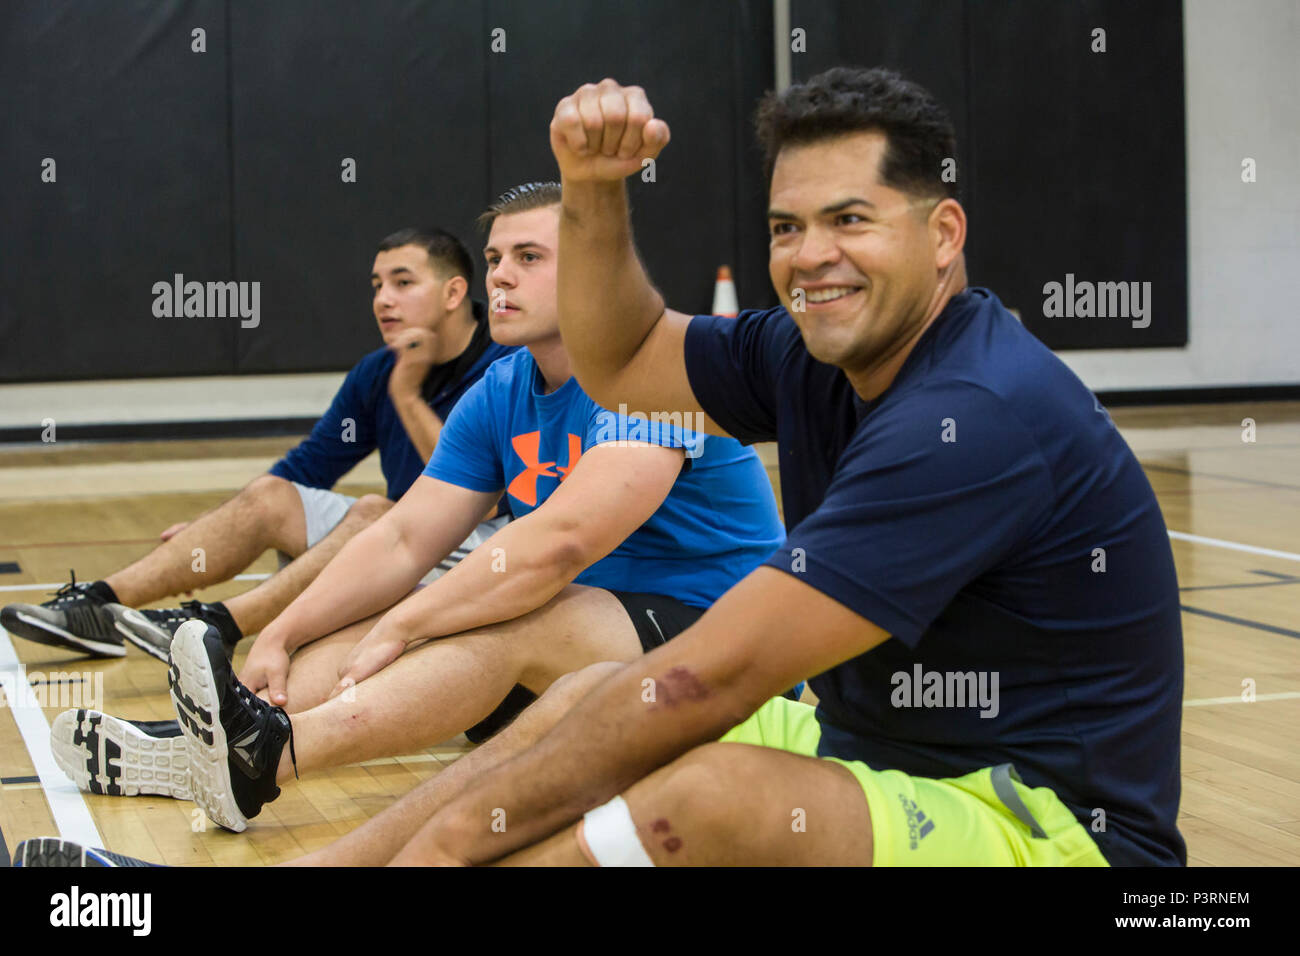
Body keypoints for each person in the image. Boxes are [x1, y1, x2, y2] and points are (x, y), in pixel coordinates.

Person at [310, 68, 1185, 867]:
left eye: (849, 220)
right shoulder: (810, 355)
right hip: (875, 753)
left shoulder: (971, 415)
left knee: (711, 796)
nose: (809, 256)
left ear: (943, 232)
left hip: (1052, 830)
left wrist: (454, 848)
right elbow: (624, 355)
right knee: (592, 696)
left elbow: (710, 676)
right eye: (785, 228)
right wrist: (593, 188)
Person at [54, 183, 785, 833]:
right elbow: (404, 537)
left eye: (528, 257)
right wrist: (280, 632)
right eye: (495, 258)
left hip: (721, 642)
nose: (499, 276)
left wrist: (410, 622)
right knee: (363, 621)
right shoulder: (502, 389)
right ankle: (204, 751)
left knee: (508, 614)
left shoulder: (654, 371)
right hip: (591, 645)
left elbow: (560, 544)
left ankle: (266, 758)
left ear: (597, 270)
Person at [2, 228, 514, 663]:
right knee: (270, 495)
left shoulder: (502, 365)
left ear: (452, 293)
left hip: (486, 548)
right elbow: (306, 468)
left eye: (403, 283)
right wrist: (216, 529)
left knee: (374, 512)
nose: (383, 299)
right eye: (377, 285)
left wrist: (407, 395)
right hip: (405, 539)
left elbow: (480, 497)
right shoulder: (378, 369)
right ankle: (97, 606)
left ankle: (211, 628)